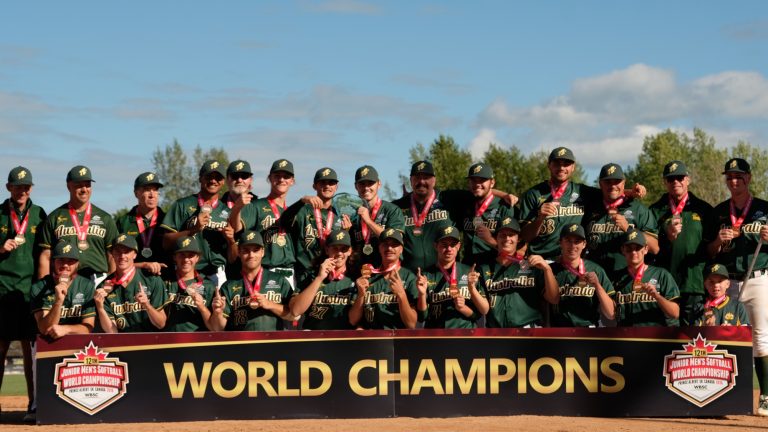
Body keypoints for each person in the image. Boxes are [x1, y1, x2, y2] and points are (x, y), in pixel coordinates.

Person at [705, 158, 768, 415]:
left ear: (749, 178)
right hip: (727, 280)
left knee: (760, 336)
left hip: (758, 276)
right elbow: (708, 252)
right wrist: (718, 242)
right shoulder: (718, 211)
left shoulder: (765, 208)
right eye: (729, 177)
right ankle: (724, 394)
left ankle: (765, 395)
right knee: (724, 334)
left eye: (738, 176)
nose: (734, 181)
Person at [519, 147, 645, 260]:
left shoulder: (583, 192)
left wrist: (632, 192)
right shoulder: (533, 194)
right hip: (540, 259)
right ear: (549, 165)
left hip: (570, 260)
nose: (561, 168)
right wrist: (540, 218)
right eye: (557, 163)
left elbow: (610, 191)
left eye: (566, 163)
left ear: (573, 167)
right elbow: (525, 236)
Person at [0, 166, 45, 416]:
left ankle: (33, 404)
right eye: (17, 186)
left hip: (30, 292)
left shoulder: (39, 214)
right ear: (8, 187)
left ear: (31, 188)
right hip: (3, 290)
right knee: (1, 348)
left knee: (31, 350)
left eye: (26, 186)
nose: (22, 190)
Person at [649, 161, 713, 325]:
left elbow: (711, 249)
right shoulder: (655, 210)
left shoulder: (703, 209)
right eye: (671, 179)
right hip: (665, 284)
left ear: (688, 180)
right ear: (665, 182)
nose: (675, 182)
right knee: (665, 337)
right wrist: (666, 237)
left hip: (694, 283)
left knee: (691, 337)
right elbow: (649, 248)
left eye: (680, 177)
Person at [38, 165, 118, 285]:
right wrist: (43, 286)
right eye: (78, 185)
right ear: (68, 186)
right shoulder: (54, 217)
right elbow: (46, 256)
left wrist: (112, 285)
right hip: (65, 279)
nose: (84, 189)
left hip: (98, 279)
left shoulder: (105, 218)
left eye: (87, 185)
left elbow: (113, 256)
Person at [477, 217, 559, 328]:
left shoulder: (532, 265)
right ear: (496, 238)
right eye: (502, 235)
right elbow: (483, 309)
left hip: (528, 331)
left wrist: (547, 269)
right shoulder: (484, 269)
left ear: (518, 238)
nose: (507, 238)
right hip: (497, 333)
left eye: (511, 235)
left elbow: (554, 299)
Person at [161, 160, 231, 287]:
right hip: (187, 272)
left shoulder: (226, 211)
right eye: (209, 176)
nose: (213, 181)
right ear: (200, 178)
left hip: (217, 274)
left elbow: (232, 253)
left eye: (218, 177)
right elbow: (166, 242)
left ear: (223, 181)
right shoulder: (182, 205)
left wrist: (231, 240)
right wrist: (193, 229)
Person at [229, 159, 297, 287]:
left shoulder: (294, 212)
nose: (282, 180)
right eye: (277, 176)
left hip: (290, 272)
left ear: (292, 181)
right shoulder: (257, 206)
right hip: (265, 271)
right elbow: (236, 228)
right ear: (269, 178)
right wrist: (237, 207)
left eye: (286, 176)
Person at [583, 163, 659, 273]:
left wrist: (628, 229)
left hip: (627, 278)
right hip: (595, 277)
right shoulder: (590, 207)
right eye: (608, 182)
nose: (612, 186)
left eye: (617, 181)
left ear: (624, 183)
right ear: (600, 184)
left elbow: (654, 248)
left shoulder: (638, 210)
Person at [217, 231, 293, 331]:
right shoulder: (229, 286)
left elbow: (294, 316)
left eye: (256, 250)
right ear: (239, 252)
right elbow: (218, 328)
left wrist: (270, 304)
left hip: (273, 342)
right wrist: (218, 312)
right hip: (241, 343)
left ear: (263, 252)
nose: (251, 255)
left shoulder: (279, 280)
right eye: (246, 251)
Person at [416, 225, 489, 328]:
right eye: (444, 245)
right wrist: (422, 294)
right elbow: (422, 316)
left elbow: (483, 311)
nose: (449, 249)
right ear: (435, 246)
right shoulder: (426, 275)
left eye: (453, 245)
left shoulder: (469, 272)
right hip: (436, 335)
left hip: (465, 334)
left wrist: (470, 293)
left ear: (458, 246)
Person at [285, 167, 346, 288]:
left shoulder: (340, 214)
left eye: (331, 183)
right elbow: (284, 220)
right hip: (305, 274)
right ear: (314, 186)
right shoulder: (303, 210)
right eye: (322, 182)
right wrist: (301, 201)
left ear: (336, 186)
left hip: (332, 274)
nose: (327, 186)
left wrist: (347, 232)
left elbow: (346, 248)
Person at [94, 234, 166, 333]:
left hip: (151, 342)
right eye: (118, 252)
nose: (122, 256)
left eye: (127, 251)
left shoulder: (152, 279)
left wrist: (147, 306)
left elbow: (161, 324)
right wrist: (100, 307)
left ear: (135, 254)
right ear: (112, 254)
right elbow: (112, 332)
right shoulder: (104, 287)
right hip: (123, 344)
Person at [349, 229, 419, 329]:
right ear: (379, 248)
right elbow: (353, 320)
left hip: (397, 340)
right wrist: (360, 295)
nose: (389, 248)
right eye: (385, 244)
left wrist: (401, 295)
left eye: (394, 244)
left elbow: (412, 324)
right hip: (372, 339)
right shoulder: (368, 276)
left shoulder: (409, 278)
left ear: (401, 249)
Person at [549, 223, 615, 327]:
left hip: (588, 331)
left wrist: (597, 286)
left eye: (577, 242)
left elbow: (611, 313)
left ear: (584, 244)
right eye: (568, 241)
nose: (572, 246)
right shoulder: (550, 271)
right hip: (559, 331)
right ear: (560, 242)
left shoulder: (596, 270)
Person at [289, 229, 355, 330]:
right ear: (327, 250)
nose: (339, 253)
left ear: (350, 251)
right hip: (315, 337)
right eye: (335, 248)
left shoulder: (355, 277)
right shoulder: (312, 275)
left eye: (344, 249)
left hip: (344, 338)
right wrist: (319, 278)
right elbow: (295, 310)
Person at [612, 229, 680, 327]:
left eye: (638, 248)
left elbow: (675, 313)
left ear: (646, 249)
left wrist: (656, 296)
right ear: (623, 250)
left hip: (656, 336)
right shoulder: (616, 278)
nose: (634, 252)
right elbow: (610, 314)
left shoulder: (661, 274)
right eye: (629, 248)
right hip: (627, 337)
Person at [31, 240, 95, 338]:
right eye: (61, 260)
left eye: (70, 261)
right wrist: (58, 301)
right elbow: (44, 329)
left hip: (76, 341)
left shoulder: (86, 285)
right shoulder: (39, 287)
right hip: (46, 343)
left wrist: (66, 329)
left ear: (77, 264)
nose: (65, 265)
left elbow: (88, 327)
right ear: (53, 262)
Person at [453, 163, 515, 265]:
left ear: (492, 183)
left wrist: (490, 239)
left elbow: (514, 247)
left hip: (494, 268)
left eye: (482, 180)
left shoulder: (504, 207)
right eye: (473, 180)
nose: (477, 184)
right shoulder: (464, 202)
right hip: (468, 266)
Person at [161, 236, 221, 332]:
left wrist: (201, 306)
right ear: (174, 257)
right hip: (169, 341)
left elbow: (214, 328)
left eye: (191, 255)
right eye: (182, 255)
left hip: (197, 342)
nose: (186, 259)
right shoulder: (164, 282)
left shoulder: (208, 286)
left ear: (198, 258)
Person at [350, 165, 404, 268]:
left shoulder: (392, 210)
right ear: (356, 186)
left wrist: (368, 221)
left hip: (386, 271)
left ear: (379, 184)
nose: (366, 188)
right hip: (361, 272)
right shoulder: (352, 213)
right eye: (362, 184)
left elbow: (396, 240)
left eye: (370, 183)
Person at [115, 172, 169, 276]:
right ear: (136, 193)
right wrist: (143, 265)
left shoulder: (168, 220)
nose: (152, 195)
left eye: (155, 190)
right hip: (132, 279)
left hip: (164, 278)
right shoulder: (123, 222)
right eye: (147, 190)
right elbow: (115, 258)